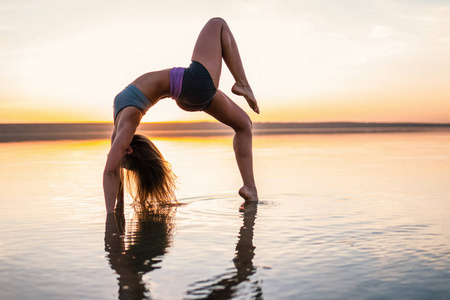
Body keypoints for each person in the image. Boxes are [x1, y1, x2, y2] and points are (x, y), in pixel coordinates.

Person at [103, 18, 259, 214]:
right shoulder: (129, 121)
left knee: (244, 124)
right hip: (193, 84)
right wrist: (110, 217)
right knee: (217, 24)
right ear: (128, 151)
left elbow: (113, 171)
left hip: (188, 94)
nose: (114, 153)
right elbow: (110, 171)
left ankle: (250, 189)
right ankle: (242, 83)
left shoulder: (119, 135)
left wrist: (118, 210)